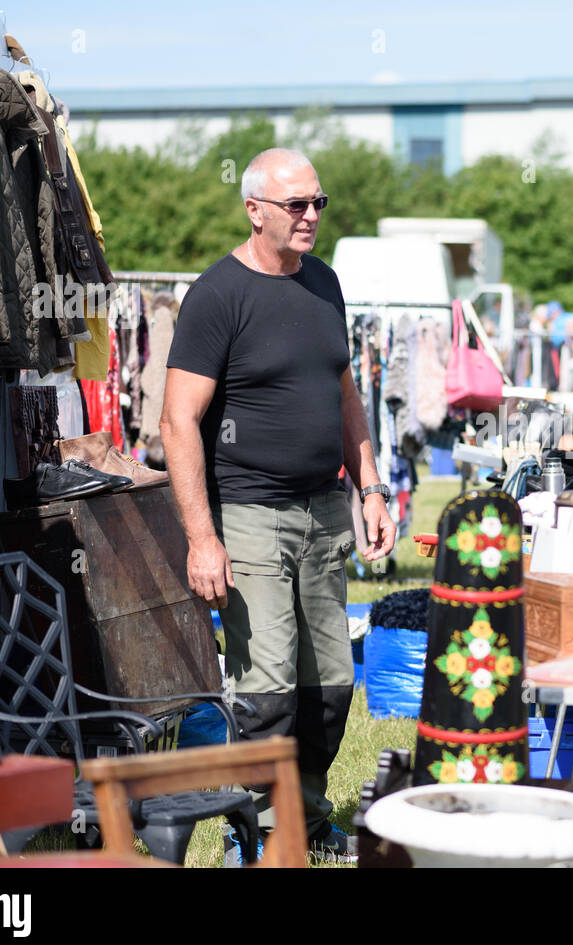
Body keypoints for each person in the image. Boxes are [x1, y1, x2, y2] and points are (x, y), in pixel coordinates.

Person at [161, 147, 397, 863]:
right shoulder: (217, 296)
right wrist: (203, 539)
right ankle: (260, 834)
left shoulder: (324, 284)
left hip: (326, 508)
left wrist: (372, 487)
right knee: (266, 689)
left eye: (319, 203)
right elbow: (178, 422)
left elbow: (345, 391)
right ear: (254, 209)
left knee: (328, 681)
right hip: (249, 514)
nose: (311, 217)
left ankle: (309, 815)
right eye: (296, 205)